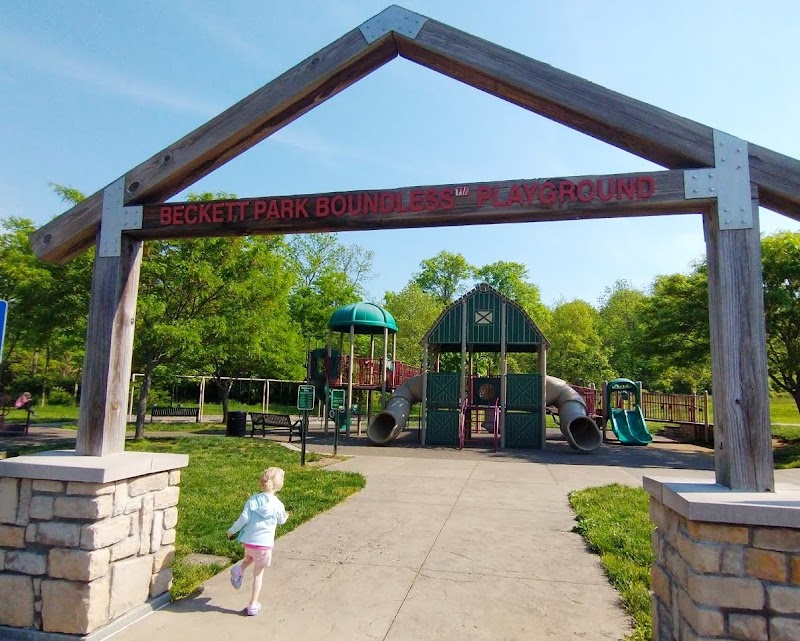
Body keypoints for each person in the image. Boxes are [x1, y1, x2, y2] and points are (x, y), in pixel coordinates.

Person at [226, 467, 289, 616]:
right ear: (279, 485)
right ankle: (253, 604)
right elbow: (281, 521)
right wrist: (286, 516)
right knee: (258, 574)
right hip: (264, 545)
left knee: (250, 558)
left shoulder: (253, 499)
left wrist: (232, 530)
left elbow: (244, 518)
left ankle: (239, 570)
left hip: (249, 542)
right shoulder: (278, 505)